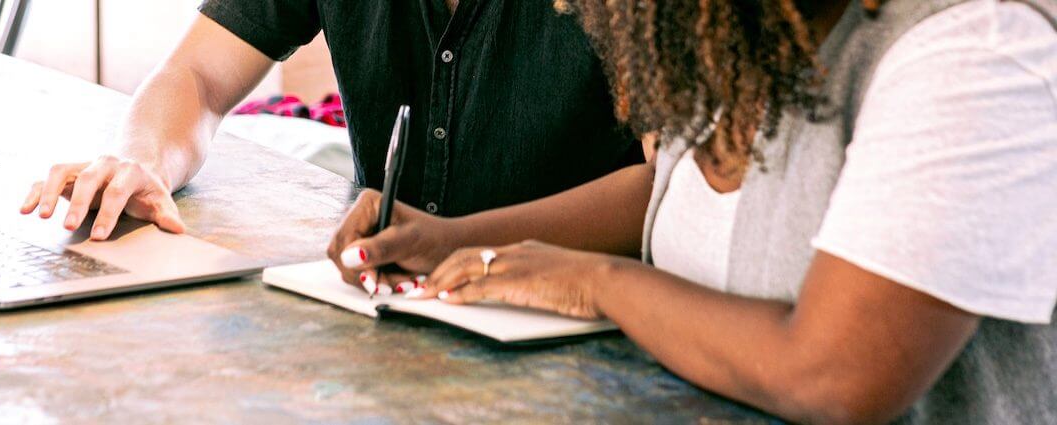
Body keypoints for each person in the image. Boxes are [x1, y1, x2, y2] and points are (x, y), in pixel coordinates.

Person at [328, 0, 1057, 422]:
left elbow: (834, 374)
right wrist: (450, 237)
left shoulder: (969, 51)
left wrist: (597, 281)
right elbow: (670, 191)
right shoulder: (741, 35)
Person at [16, 0, 643, 269]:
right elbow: (198, 73)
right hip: (389, 307)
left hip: (587, 325)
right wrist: (142, 159)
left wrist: (456, 243)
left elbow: (668, 186)